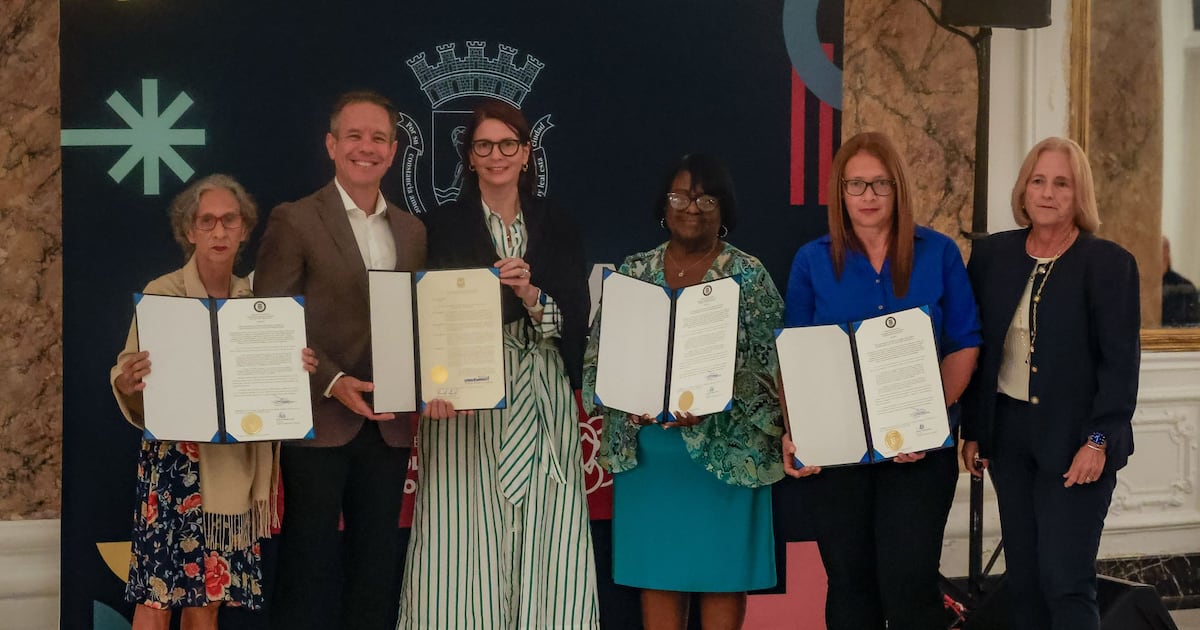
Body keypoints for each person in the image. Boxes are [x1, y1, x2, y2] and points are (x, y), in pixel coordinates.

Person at [398, 101, 599, 628]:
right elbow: (421, 319)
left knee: (548, 529)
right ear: (469, 156)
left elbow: (576, 320)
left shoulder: (558, 224)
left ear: (527, 153)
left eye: (508, 144)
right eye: (483, 146)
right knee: (461, 532)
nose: (496, 155)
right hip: (463, 404)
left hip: (541, 392)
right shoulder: (439, 226)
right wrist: (428, 387)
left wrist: (531, 293)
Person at [780, 131, 981, 630]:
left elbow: (963, 343)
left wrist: (923, 419)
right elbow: (795, 356)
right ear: (840, 191)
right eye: (856, 184)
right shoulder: (811, 260)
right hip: (838, 452)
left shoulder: (938, 253)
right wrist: (796, 431)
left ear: (898, 188)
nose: (867, 196)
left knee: (909, 582)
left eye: (880, 184)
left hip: (919, 455)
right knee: (850, 585)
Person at [583, 153, 784, 630]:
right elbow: (599, 356)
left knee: (722, 577)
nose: (691, 208)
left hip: (728, 455)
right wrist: (630, 398)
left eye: (705, 198)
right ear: (663, 205)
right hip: (651, 457)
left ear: (724, 208)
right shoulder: (635, 271)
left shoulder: (749, 275)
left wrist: (713, 398)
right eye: (680, 197)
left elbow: (775, 367)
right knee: (658, 575)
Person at [111, 174, 318, 630]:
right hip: (176, 468)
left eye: (229, 220)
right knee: (156, 599)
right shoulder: (163, 292)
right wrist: (128, 379)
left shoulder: (259, 302)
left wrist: (293, 367)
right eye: (207, 221)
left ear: (244, 230)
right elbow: (127, 369)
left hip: (231, 470)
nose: (219, 231)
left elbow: (270, 385)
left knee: (208, 601)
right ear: (190, 230)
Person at [254, 90, 427, 630]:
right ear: (331, 145)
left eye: (378, 138)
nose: (365, 147)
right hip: (319, 421)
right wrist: (333, 382)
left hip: (389, 426)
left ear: (393, 151)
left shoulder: (412, 231)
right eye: (354, 136)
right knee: (307, 567)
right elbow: (271, 321)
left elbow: (420, 320)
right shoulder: (295, 220)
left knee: (375, 570)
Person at [962, 136, 1140, 630]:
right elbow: (979, 351)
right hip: (1009, 437)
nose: (1047, 193)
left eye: (1062, 183)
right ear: (1023, 189)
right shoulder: (992, 256)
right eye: (1038, 181)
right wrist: (975, 431)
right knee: (1024, 581)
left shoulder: (1109, 263)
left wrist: (1098, 440)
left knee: (1066, 580)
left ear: (1079, 194)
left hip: (1077, 439)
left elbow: (1120, 366)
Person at [1162, 236, 1200, 326]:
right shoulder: (1138, 285)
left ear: (1168, 253)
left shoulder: (1185, 286)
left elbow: (1194, 324)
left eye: (1164, 249)